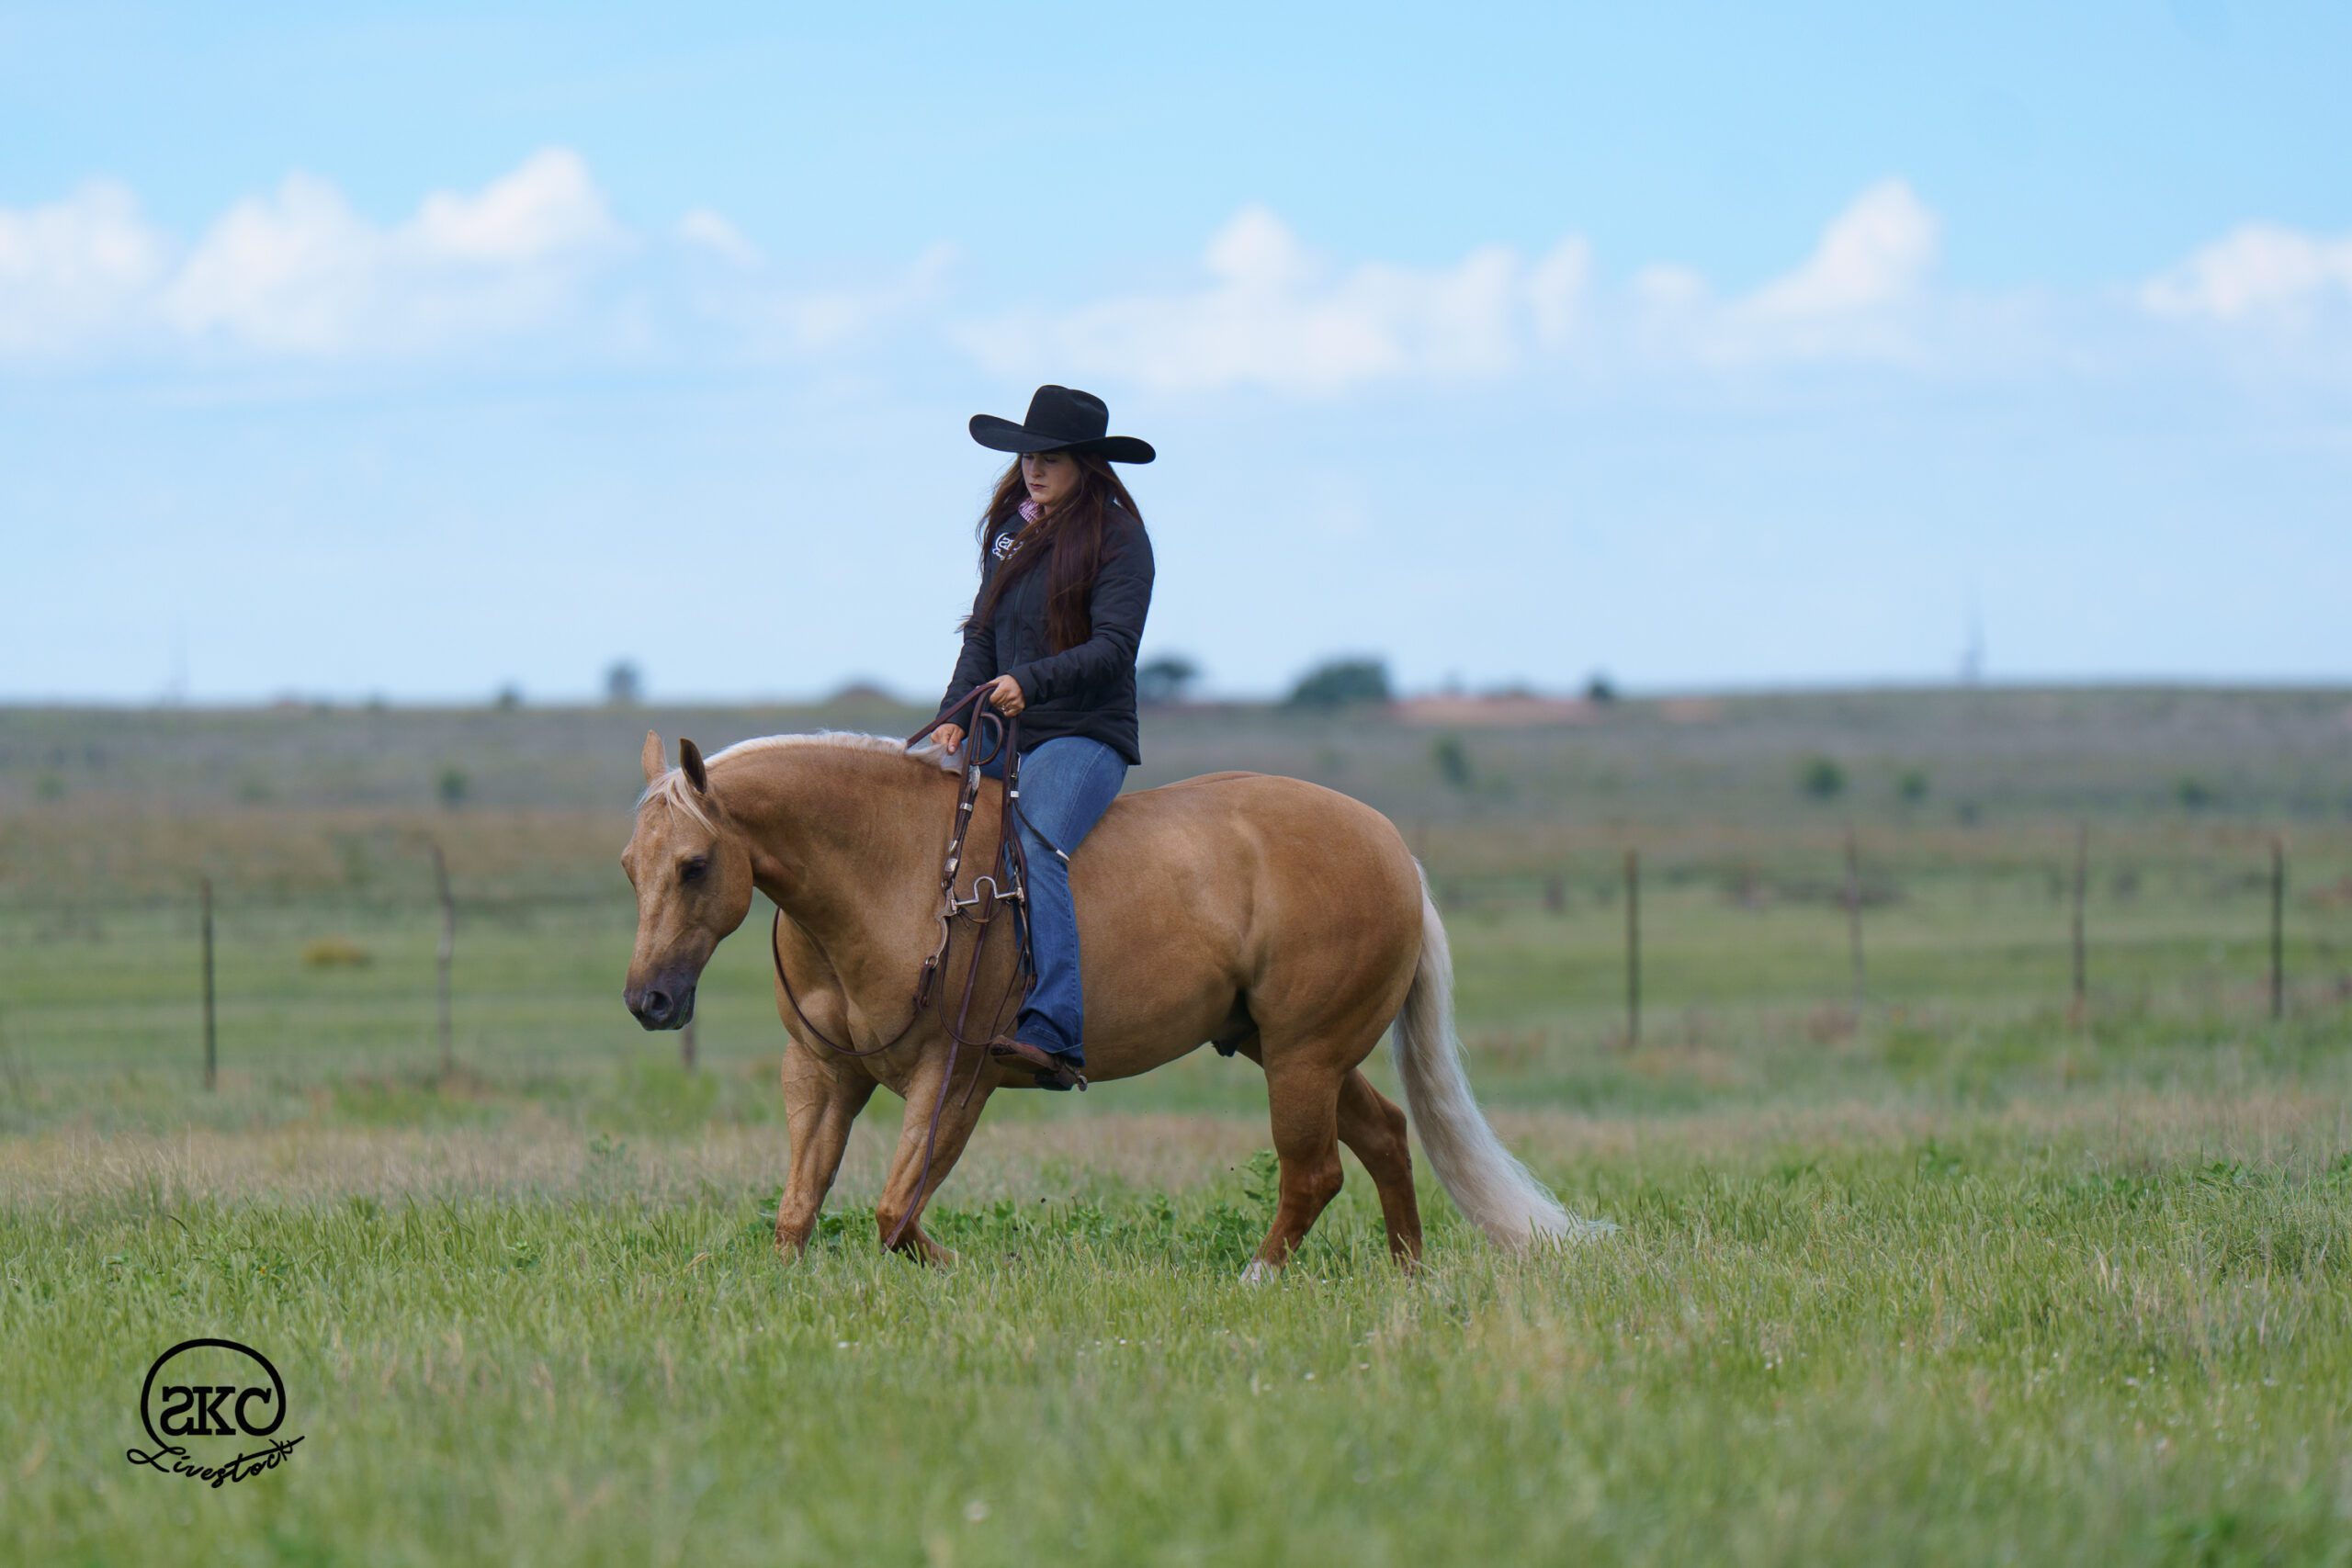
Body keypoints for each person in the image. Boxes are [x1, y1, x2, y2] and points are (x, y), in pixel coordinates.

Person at [928, 385, 1156, 1090]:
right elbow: (983, 632)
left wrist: (1031, 682)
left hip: (1086, 733)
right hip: (1009, 724)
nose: (1034, 468)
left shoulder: (1120, 539)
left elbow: (1115, 649)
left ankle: (1055, 1027)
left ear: (1086, 464)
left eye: (1050, 458)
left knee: (1034, 837)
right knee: (922, 807)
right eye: (1029, 455)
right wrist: (953, 713)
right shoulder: (1010, 531)